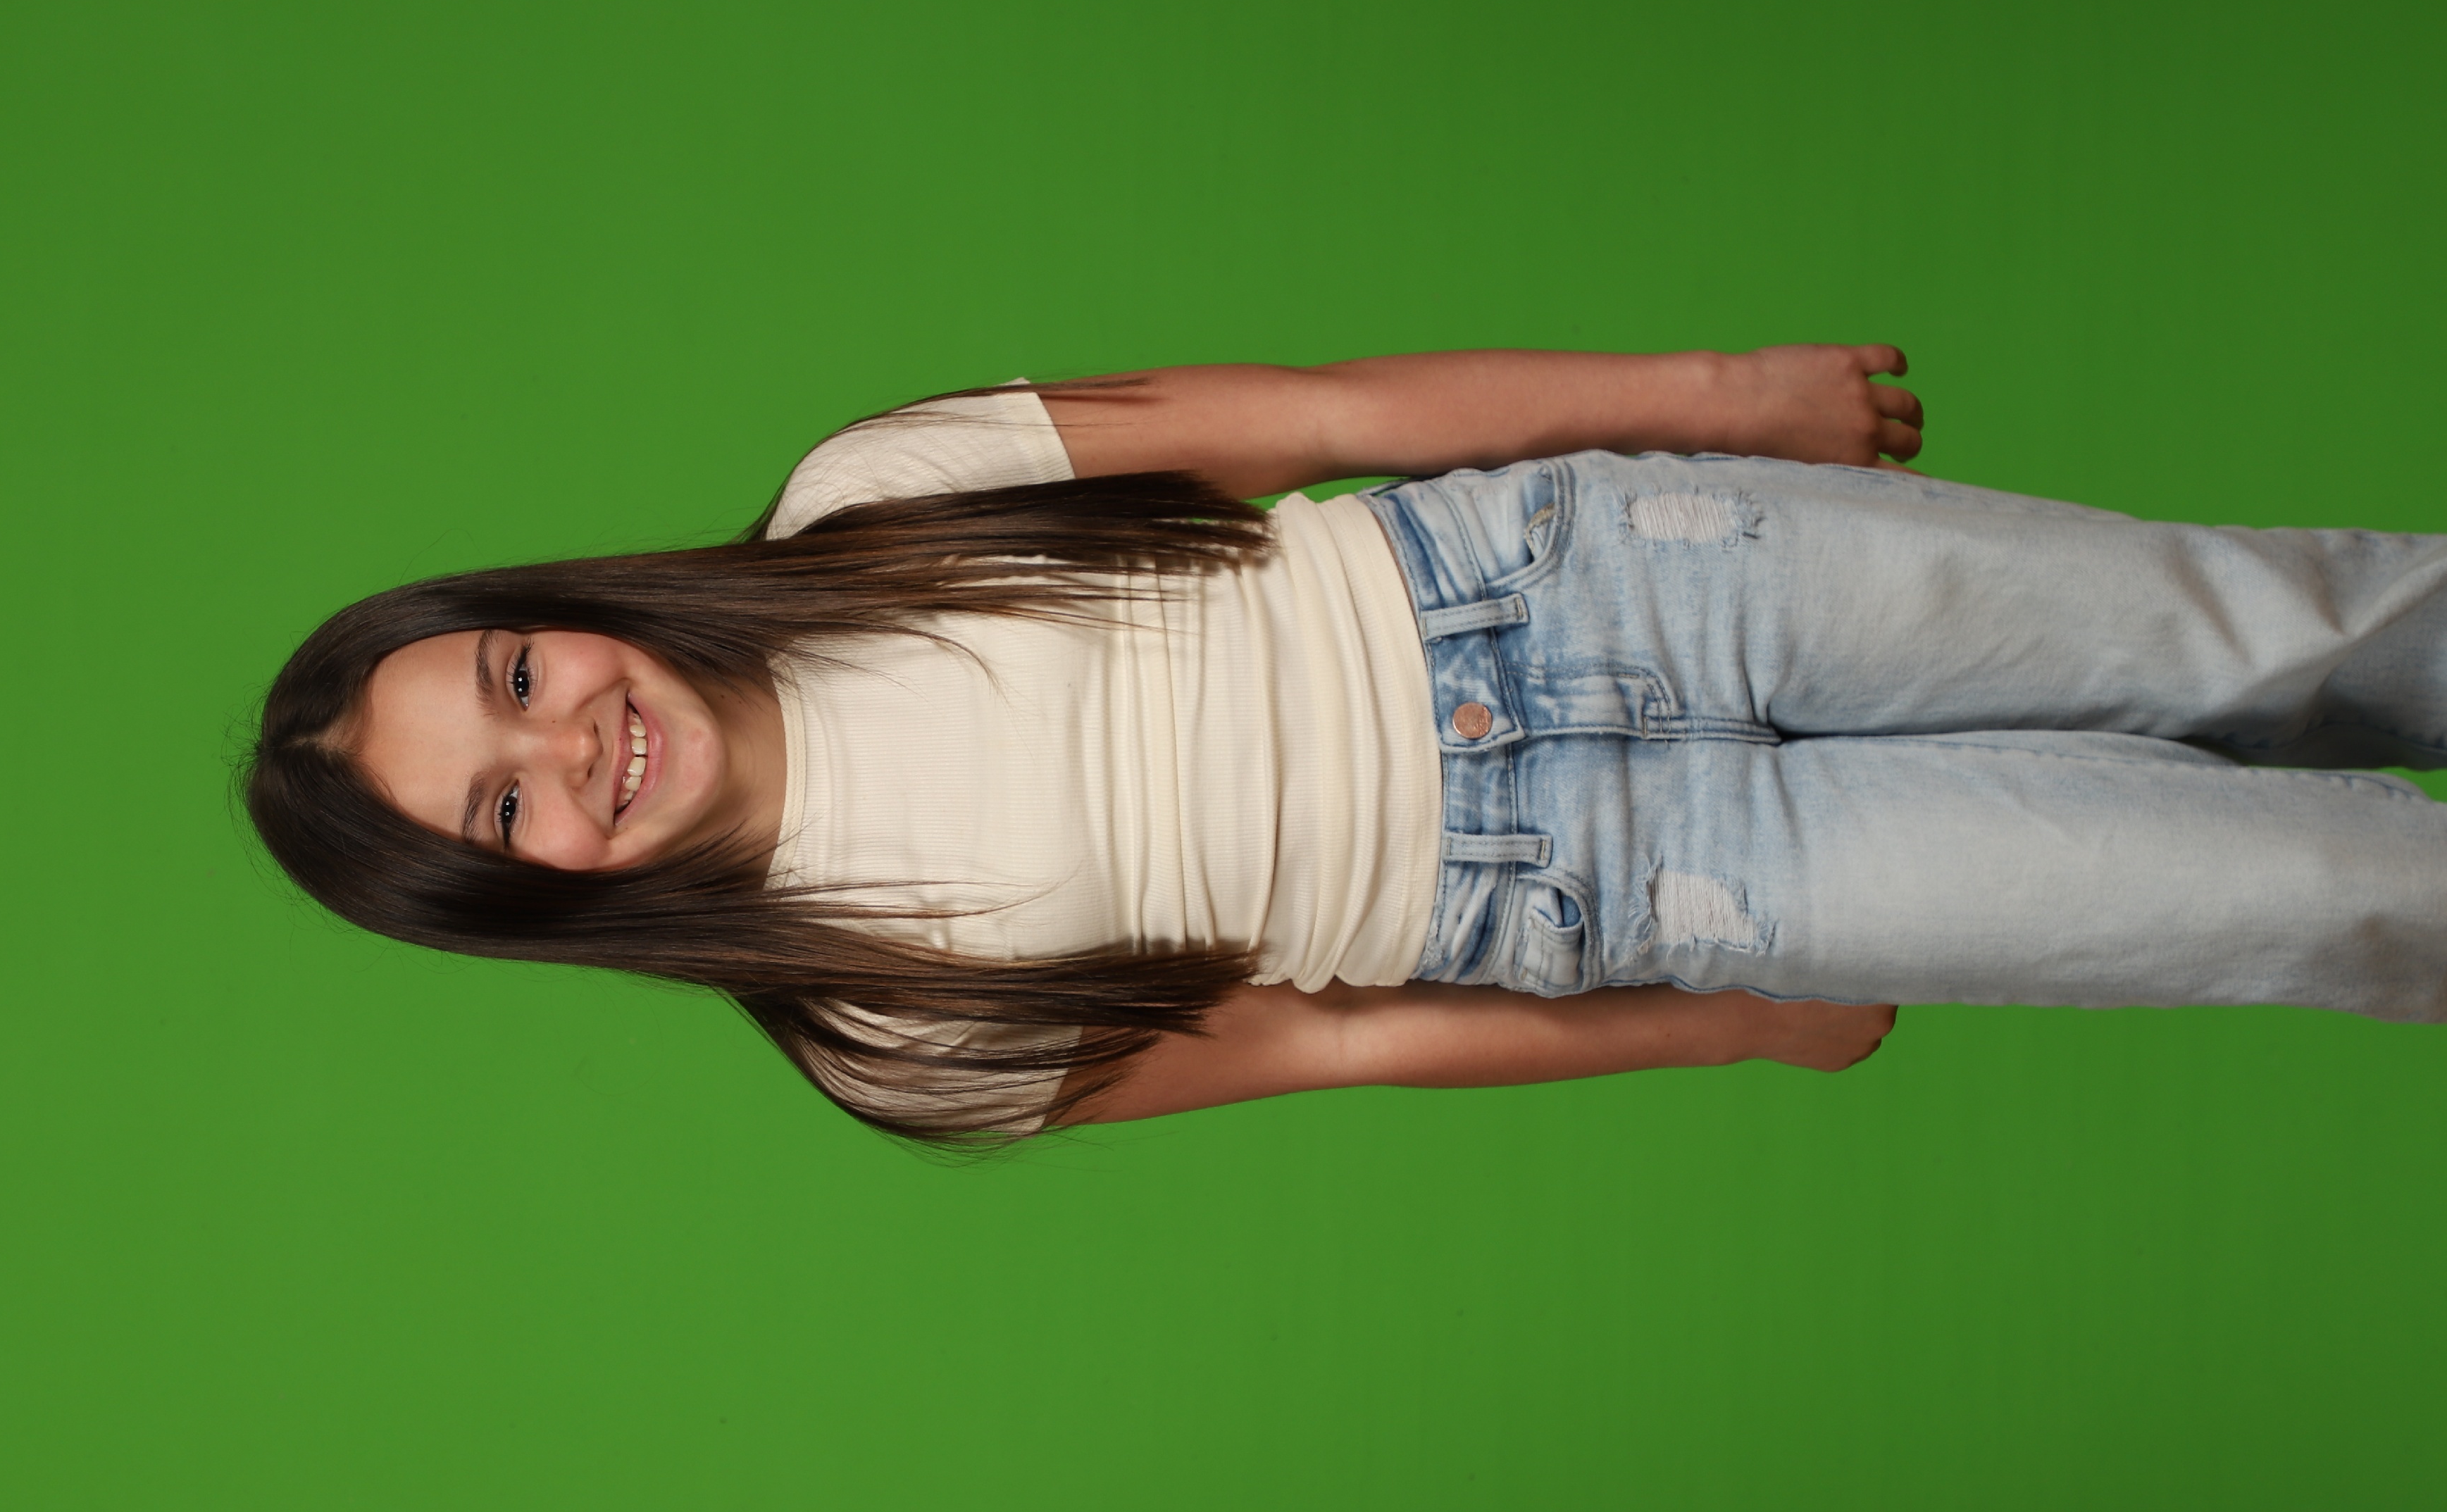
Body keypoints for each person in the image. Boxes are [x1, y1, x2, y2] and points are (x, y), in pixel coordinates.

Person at [243, 347, 2447, 1147]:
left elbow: (1314, 417)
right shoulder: (887, 1037)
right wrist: (1727, 1022)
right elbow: (1332, 1045)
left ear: (556, 612)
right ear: (535, 898)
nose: (571, 745)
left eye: (513, 678)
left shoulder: (869, 499)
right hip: (1638, 890)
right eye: (503, 812)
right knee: (2309, 902)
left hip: (1607, 581)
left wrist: (1710, 394)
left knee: (2262, 631)